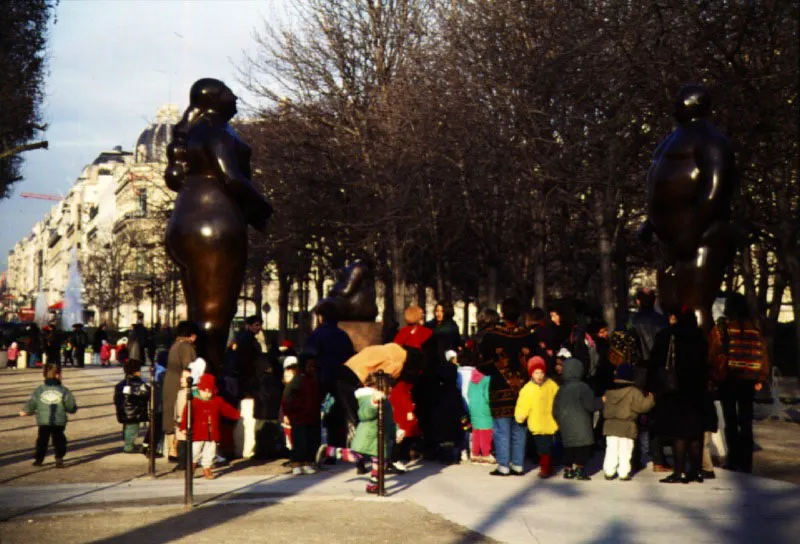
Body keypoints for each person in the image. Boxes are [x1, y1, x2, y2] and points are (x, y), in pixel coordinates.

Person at [649, 307, 709, 484]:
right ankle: (696, 470)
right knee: (696, 431)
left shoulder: (667, 335)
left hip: (675, 389)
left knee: (679, 432)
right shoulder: (700, 337)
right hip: (698, 389)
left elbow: (656, 361)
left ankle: (679, 470)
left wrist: (653, 385)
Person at [713, 294, 770, 474]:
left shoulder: (725, 328)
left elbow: (715, 353)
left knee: (730, 420)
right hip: (749, 381)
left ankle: (733, 458)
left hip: (729, 379)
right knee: (746, 421)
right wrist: (761, 378)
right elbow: (763, 355)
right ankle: (746, 462)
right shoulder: (754, 328)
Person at [477, 298, 534, 476]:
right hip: (523, 388)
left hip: (500, 387)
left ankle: (503, 465)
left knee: (501, 428)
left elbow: (482, 363)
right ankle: (518, 464)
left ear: (502, 313)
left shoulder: (492, 335)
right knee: (520, 425)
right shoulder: (527, 335)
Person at [316, 372, 395, 494]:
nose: (390, 389)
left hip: (380, 439)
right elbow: (364, 414)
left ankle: (372, 485)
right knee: (355, 457)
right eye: (388, 386)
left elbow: (389, 420)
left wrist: (397, 430)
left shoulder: (386, 401)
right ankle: (328, 451)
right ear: (378, 387)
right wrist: (373, 403)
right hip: (368, 437)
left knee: (380, 462)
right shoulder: (368, 399)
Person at [303, 301, 355, 448]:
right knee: (337, 415)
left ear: (321, 317)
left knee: (314, 414)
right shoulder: (343, 335)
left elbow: (307, 356)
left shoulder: (317, 335)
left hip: (320, 379)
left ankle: (314, 447)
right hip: (339, 380)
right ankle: (337, 448)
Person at [180, 373, 240, 479]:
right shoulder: (194, 401)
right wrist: (184, 427)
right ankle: (192, 465)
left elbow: (226, 409)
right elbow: (186, 415)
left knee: (210, 451)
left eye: (210, 391)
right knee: (195, 450)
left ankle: (206, 468)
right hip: (198, 432)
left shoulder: (217, 400)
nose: (207, 394)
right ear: (200, 389)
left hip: (212, 432)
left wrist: (236, 414)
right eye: (205, 391)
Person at [602, 363, 655, 481]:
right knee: (625, 450)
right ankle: (623, 472)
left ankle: (609, 471)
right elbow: (642, 407)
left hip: (610, 425)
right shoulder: (633, 391)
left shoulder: (609, 392)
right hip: (627, 426)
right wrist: (651, 398)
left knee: (611, 449)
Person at [553, 358, 603, 481]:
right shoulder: (583, 387)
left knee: (568, 448)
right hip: (582, 426)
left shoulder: (561, 389)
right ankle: (580, 469)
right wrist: (601, 401)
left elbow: (555, 408)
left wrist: (559, 420)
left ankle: (568, 470)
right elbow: (590, 405)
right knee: (583, 448)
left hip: (565, 425)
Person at [19, 362, 78, 468]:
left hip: (44, 420)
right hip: (59, 421)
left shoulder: (40, 390)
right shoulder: (63, 390)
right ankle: (59, 458)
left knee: (42, 440)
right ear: (58, 375)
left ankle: (39, 459)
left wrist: (26, 411)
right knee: (59, 439)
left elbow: (32, 402)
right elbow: (70, 405)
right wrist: (72, 409)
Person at [515, 356, 560, 478]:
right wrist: (521, 416)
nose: (539, 375)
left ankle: (549, 465)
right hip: (537, 422)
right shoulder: (528, 389)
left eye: (541, 372)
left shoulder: (551, 385)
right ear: (531, 374)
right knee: (542, 447)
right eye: (536, 373)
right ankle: (545, 468)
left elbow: (559, 398)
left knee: (549, 445)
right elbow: (523, 404)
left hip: (551, 421)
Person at [162, 320, 198, 467]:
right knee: (181, 417)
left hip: (169, 384)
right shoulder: (186, 347)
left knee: (170, 416)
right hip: (180, 386)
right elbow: (190, 367)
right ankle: (178, 452)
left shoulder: (174, 345)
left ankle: (172, 450)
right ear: (192, 335)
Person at [281, 356, 321, 475]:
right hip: (299, 417)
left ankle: (307, 462)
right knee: (300, 441)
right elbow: (287, 398)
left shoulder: (313, 380)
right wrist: (294, 411)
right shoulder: (298, 380)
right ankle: (296, 463)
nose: (311, 369)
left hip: (311, 416)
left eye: (313, 366)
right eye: (309, 366)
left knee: (310, 441)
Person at [432, 362, 467, 465]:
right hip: (454, 419)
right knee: (454, 436)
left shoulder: (438, 390)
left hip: (441, 418)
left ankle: (445, 455)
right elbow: (460, 406)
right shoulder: (455, 390)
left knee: (444, 436)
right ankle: (453, 455)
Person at [114, 359, 150, 453]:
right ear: (135, 371)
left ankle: (128, 444)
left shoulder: (121, 384)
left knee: (127, 428)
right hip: (134, 412)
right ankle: (128, 446)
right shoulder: (137, 383)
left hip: (125, 412)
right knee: (133, 430)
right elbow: (146, 393)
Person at [467, 366, 494, 464]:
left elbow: (468, 393)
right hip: (484, 408)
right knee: (486, 432)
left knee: (476, 431)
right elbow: (488, 395)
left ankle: (475, 454)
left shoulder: (472, 379)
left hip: (474, 408)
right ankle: (486, 454)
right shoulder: (487, 379)